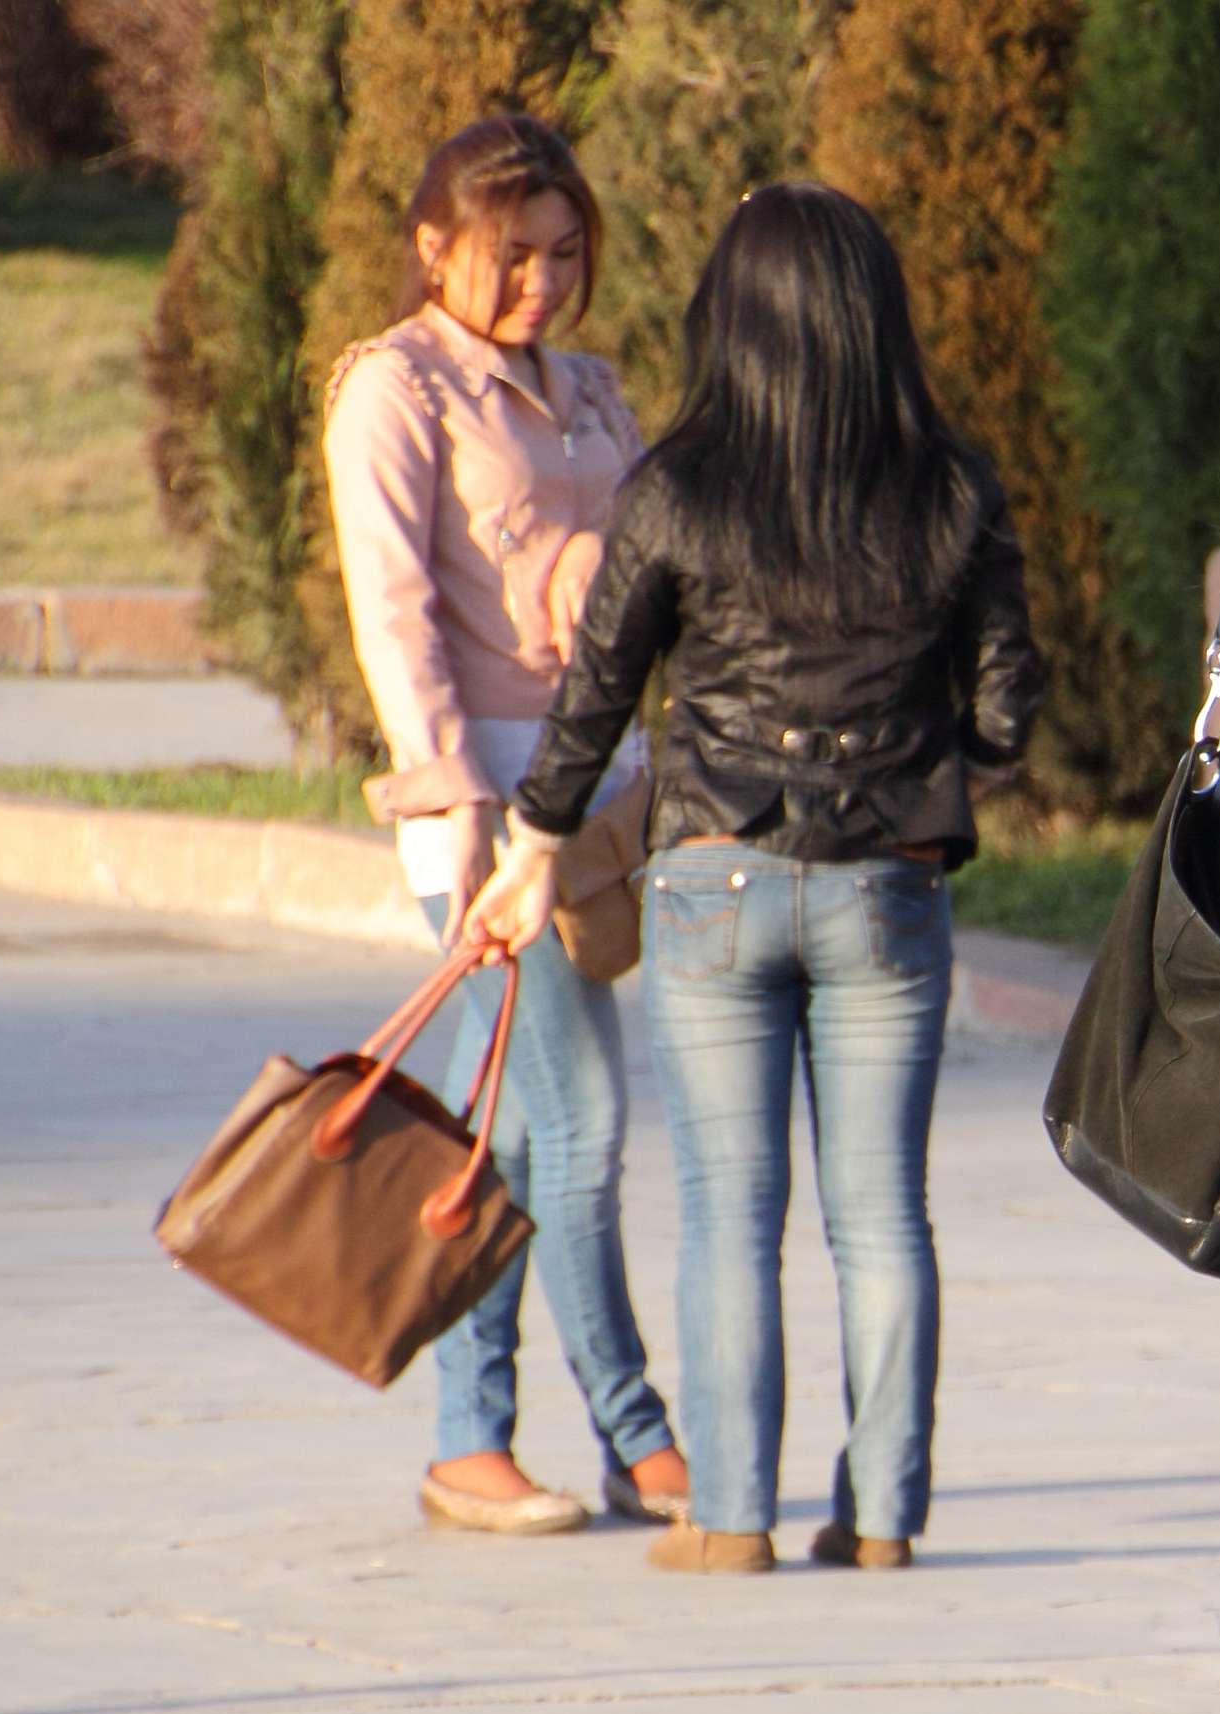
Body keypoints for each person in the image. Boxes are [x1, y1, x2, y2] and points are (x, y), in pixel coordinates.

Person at [462, 182, 1041, 1576]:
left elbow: (594, 699)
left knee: (730, 1212)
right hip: (887, 883)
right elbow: (1012, 712)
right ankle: (885, 1514)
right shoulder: (951, 485)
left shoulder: (678, 488)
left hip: (714, 876)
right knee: (883, 1211)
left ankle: (726, 1516)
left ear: (731, 314)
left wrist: (532, 853)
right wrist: (914, 769)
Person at [323, 115, 684, 1538]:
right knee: (578, 1118)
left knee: (518, 1136)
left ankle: (470, 1441)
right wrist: (462, 811)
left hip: (607, 794)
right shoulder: (394, 389)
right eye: (510, 252)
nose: (541, 278)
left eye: (564, 249)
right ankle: (642, 1438)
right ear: (433, 246)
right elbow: (395, 610)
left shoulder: (587, 386)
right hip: (485, 802)